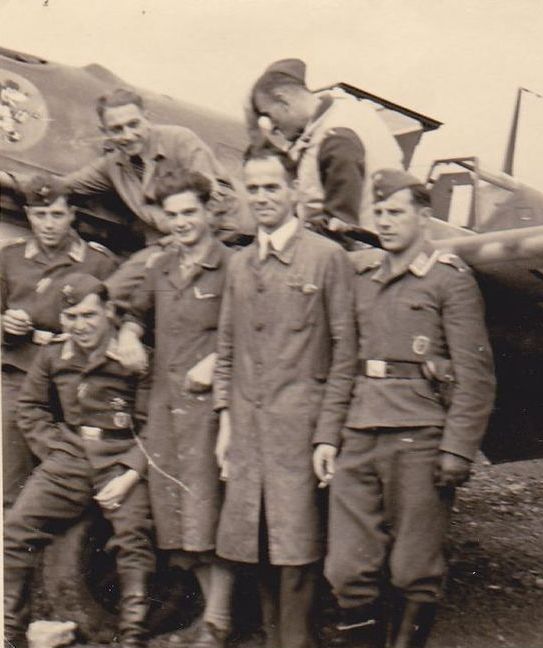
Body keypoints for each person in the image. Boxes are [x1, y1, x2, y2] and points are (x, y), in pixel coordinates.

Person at [322, 169, 496, 648]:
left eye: (396, 212)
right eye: (379, 212)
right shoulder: (362, 278)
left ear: (423, 217)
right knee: (346, 568)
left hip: (418, 436)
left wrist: (457, 449)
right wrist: (327, 435)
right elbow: (344, 365)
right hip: (359, 432)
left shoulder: (449, 279)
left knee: (413, 569)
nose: (385, 221)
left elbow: (475, 374)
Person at [212, 144, 357, 648]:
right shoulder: (238, 264)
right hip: (247, 432)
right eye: (253, 188)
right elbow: (226, 350)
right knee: (254, 545)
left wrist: (327, 436)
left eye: (272, 186)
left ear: (294, 191)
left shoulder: (327, 258)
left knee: (297, 549)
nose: (262, 197)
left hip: (299, 432)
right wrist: (225, 423)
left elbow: (345, 354)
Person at [3, 273, 154, 648]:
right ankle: (10, 632)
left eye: (89, 315)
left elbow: (155, 424)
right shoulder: (54, 354)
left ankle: (132, 636)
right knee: (15, 530)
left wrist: (132, 469)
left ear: (108, 311)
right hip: (69, 458)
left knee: (133, 536)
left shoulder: (134, 356)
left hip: (120, 460)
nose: (80, 326)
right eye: (71, 317)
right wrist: (54, 448)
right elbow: (30, 407)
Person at [119, 163, 235, 647]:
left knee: (211, 517)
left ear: (207, 211)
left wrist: (214, 361)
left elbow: (251, 332)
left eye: (190, 212)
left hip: (210, 413)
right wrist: (129, 334)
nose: (182, 222)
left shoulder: (232, 267)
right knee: (180, 520)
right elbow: (134, 311)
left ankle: (218, 624)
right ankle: (210, 618)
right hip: (167, 411)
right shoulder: (162, 266)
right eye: (173, 214)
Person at [0, 87, 248, 301]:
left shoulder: (179, 140)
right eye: (117, 129)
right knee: (112, 293)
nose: (127, 135)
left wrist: (184, 246)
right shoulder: (114, 166)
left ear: (146, 117)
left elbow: (215, 199)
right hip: (168, 247)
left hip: (221, 239)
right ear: (106, 131)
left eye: (133, 124)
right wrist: (6, 178)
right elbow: (63, 186)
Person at [0, 175, 118, 507]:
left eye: (56, 214)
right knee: (12, 471)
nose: (49, 224)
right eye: (40, 215)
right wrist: (5, 323)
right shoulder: (9, 258)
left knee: (70, 473)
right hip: (20, 371)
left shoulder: (99, 262)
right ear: (28, 215)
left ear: (72, 215)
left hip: (74, 377)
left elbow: (116, 319)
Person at [248, 58, 403, 236]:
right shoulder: (350, 112)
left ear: (283, 101)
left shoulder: (335, 138)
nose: (272, 127)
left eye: (268, 115)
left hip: (357, 247)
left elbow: (339, 229)